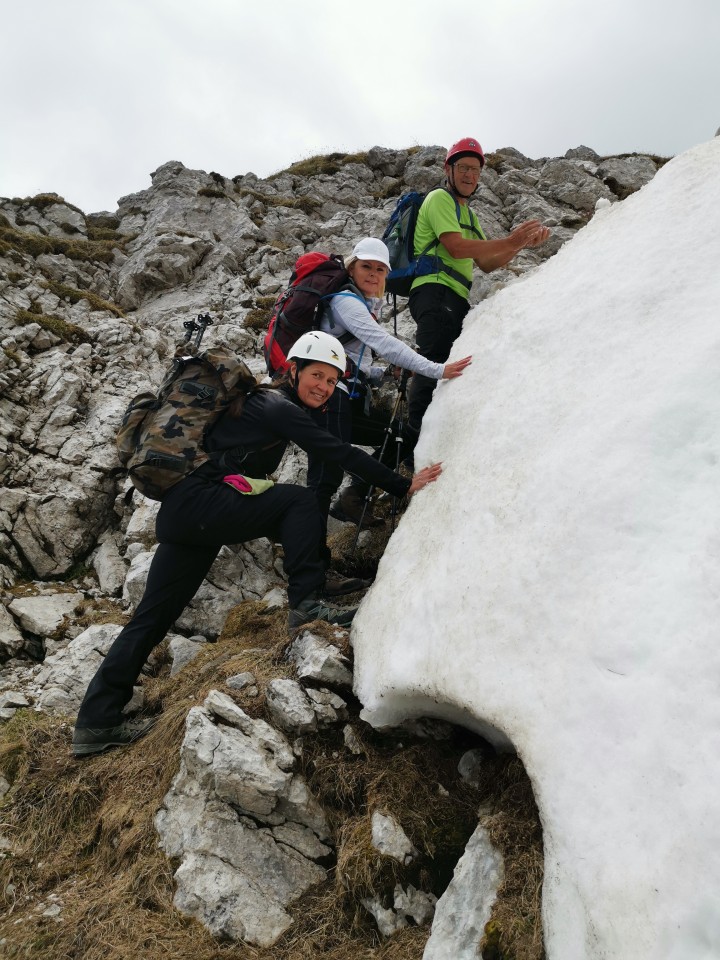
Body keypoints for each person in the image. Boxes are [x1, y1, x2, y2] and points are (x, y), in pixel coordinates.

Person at [72, 331, 442, 757]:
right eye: (316, 374)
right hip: (200, 506)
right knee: (300, 502)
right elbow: (336, 450)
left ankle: (96, 722)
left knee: (152, 618)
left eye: (332, 380)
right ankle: (307, 603)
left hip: (184, 513)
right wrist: (401, 484)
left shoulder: (257, 404)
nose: (323, 386)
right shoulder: (275, 406)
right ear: (294, 370)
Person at [307, 236, 471, 530]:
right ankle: (313, 563)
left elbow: (358, 359)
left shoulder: (361, 303)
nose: (373, 274)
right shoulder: (346, 301)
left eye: (380, 269)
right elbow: (382, 343)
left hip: (346, 396)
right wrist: (437, 369)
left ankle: (353, 496)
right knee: (323, 479)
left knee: (399, 435)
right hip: (329, 398)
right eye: (366, 266)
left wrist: (383, 375)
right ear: (352, 268)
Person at [406, 136, 551, 441]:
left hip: (456, 298)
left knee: (445, 365)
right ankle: (411, 443)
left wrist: (520, 245)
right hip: (434, 289)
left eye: (475, 170)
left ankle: (431, 439)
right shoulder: (439, 199)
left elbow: (485, 263)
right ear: (449, 169)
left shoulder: (469, 216)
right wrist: (511, 241)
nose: (470, 175)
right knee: (433, 362)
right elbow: (456, 248)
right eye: (464, 168)